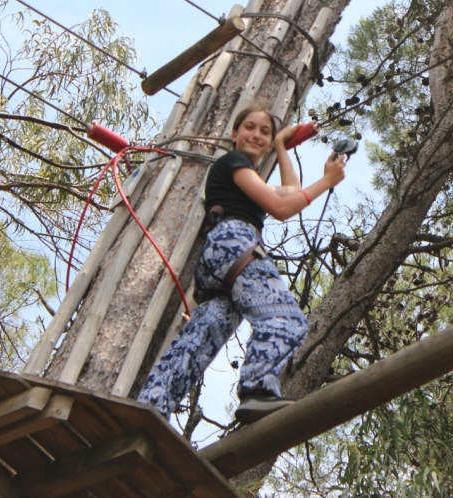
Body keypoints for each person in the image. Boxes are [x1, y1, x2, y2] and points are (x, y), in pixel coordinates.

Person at [138, 104, 346, 424]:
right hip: (235, 243)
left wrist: (281, 147)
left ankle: (153, 404)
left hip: (216, 261)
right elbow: (280, 207)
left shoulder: (245, 180)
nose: (257, 135)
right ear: (234, 134)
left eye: (265, 132)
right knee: (285, 319)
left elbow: (290, 192)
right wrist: (326, 182)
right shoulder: (232, 162)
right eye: (250, 127)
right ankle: (258, 388)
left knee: (204, 334)